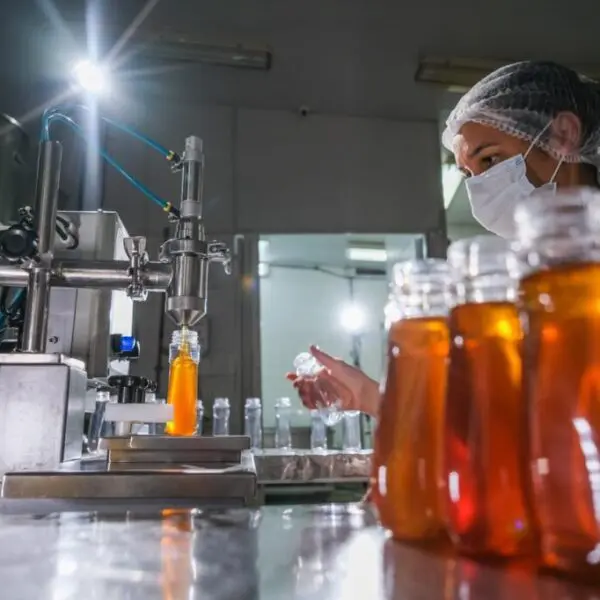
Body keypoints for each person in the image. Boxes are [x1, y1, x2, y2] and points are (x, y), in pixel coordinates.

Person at [288, 60, 600, 414]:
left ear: (564, 134)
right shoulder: (524, 285)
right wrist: (365, 396)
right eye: (468, 173)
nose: (480, 187)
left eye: (490, 159)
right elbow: (491, 421)